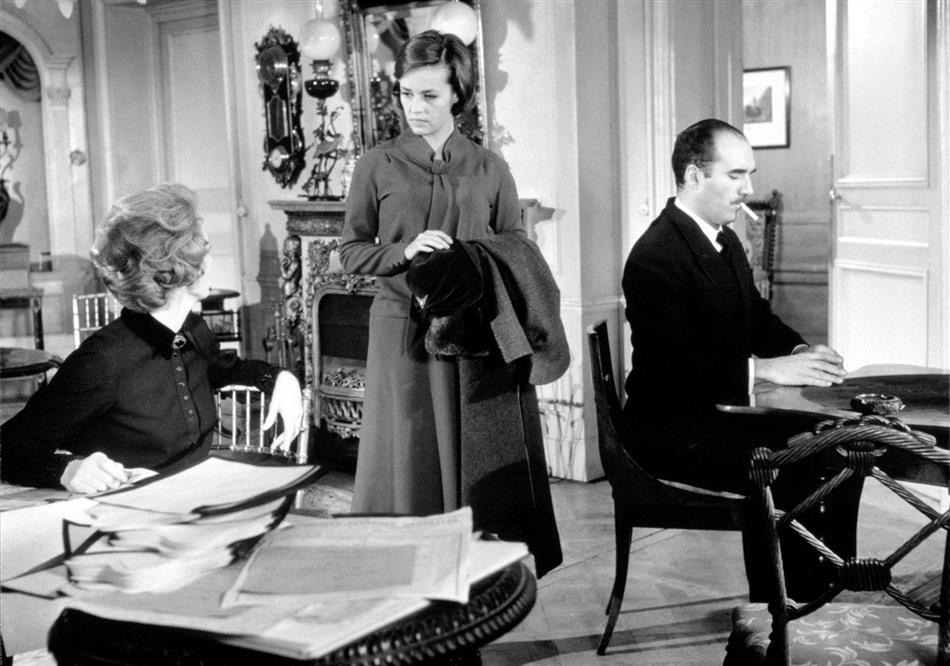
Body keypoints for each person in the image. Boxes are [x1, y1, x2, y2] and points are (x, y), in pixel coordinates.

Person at [339, 30, 564, 576]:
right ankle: (402, 571)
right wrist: (403, 251)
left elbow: (517, 247)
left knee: (471, 451)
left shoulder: (490, 167)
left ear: (457, 94)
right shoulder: (376, 165)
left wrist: (472, 257)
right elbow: (349, 252)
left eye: (429, 95)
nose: (414, 107)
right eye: (406, 94)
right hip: (401, 331)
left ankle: (469, 569)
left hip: (473, 334)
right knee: (407, 452)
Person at [622, 119, 848, 600]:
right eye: (735, 175)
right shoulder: (654, 256)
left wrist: (800, 352)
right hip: (670, 431)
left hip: (713, 417)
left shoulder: (723, 240)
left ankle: (826, 589)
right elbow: (671, 370)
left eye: (750, 175)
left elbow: (758, 319)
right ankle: (779, 613)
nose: (748, 188)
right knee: (790, 462)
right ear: (693, 175)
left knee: (838, 447)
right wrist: (764, 369)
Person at [1, 183, 303, 494]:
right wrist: (67, 470)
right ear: (171, 270)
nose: (210, 262)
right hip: (124, 512)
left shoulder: (194, 330)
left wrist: (279, 378)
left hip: (193, 500)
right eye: (204, 252)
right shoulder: (103, 360)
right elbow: (8, 447)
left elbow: (228, 369)